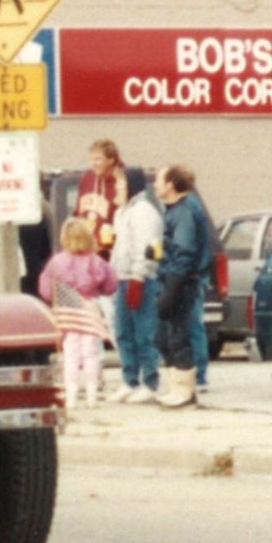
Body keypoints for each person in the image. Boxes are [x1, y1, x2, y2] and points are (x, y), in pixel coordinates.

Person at [154, 163, 217, 407]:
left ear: (171, 184)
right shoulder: (174, 209)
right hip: (173, 277)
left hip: (182, 281)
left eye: (159, 179)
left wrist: (171, 288)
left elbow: (185, 251)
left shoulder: (185, 211)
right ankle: (174, 386)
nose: (156, 184)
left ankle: (185, 391)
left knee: (179, 335)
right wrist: (158, 254)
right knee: (164, 337)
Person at [36, 219, 117, 407]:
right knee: (91, 353)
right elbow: (111, 285)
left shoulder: (56, 262)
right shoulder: (97, 261)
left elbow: (46, 290)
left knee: (70, 353)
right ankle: (92, 395)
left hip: (67, 310)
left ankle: (71, 395)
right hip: (90, 308)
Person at [110, 167, 166, 404]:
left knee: (144, 332)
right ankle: (129, 379)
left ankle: (150, 381)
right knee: (123, 332)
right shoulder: (122, 213)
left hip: (139, 279)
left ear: (131, 186)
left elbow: (147, 248)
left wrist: (139, 277)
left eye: (120, 185)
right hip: (121, 278)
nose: (116, 189)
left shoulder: (144, 212)